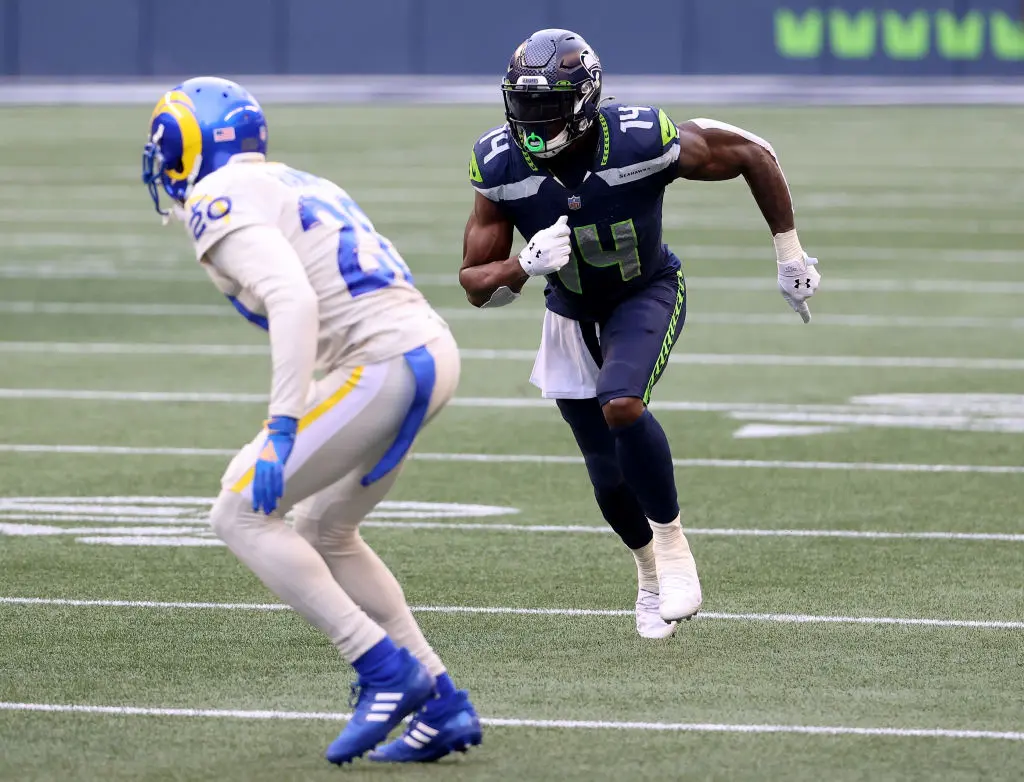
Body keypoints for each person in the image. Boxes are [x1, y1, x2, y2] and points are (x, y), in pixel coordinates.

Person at [141, 77, 482, 764]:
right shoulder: (293, 179)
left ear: (187, 144)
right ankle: (442, 703)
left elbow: (293, 299)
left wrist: (281, 428)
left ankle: (382, 669)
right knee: (324, 527)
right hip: (428, 350)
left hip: (382, 360)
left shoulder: (217, 194)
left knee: (237, 513)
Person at [459, 30, 821, 639]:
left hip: (644, 289)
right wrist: (522, 267)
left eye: (546, 107)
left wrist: (789, 253)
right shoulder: (499, 163)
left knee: (622, 403)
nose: (530, 120)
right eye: (521, 105)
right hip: (569, 307)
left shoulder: (639, 139)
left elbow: (752, 153)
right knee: (604, 471)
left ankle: (674, 545)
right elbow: (476, 286)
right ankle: (648, 572)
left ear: (584, 102)